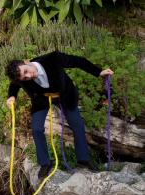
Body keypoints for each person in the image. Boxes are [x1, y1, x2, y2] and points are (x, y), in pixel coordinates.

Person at [6, 51, 114, 179]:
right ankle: (45, 163)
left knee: (77, 125)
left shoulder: (53, 59)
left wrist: (99, 72)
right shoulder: (20, 78)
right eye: (25, 78)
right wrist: (11, 96)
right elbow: (14, 85)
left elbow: (78, 61)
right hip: (42, 100)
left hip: (65, 95)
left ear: (26, 62)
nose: (29, 75)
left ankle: (83, 159)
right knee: (36, 129)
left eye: (26, 71)